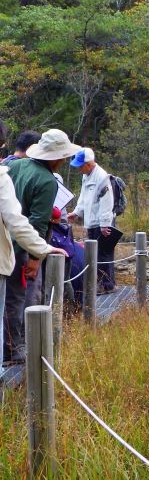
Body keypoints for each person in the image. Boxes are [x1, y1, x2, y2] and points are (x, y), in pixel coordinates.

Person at [3, 128, 78, 367]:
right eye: (63, 156)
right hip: (23, 246)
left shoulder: (14, 166)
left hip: (7, 241)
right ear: (54, 157)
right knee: (23, 296)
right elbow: (37, 222)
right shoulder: (47, 181)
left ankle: (11, 344)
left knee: (9, 298)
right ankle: (16, 347)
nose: (65, 160)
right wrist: (36, 258)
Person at [68, 148, 118, 294]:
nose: (78, 168)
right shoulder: (86, 176)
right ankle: (102, 283)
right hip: (92, 222)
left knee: (104, 254)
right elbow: (84, 198)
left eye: (80, 165)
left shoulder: (102, 177)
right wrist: (76, 213)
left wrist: (105, 224)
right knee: (94, 254)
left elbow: (107, 202)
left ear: (89, 163)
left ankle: (107, 285)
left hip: (102, 223)